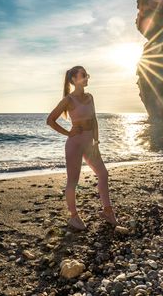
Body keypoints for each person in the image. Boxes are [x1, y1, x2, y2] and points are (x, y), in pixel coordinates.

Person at [46, 65, 118, 230]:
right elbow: (50, 120)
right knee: (73, 181)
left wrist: (97, 142)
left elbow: (94, 120)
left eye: (87, 75)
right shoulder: (68, 100)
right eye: (83, 75)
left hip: (89, 144)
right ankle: (73, 217)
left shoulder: (90, 97)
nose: (87, 78)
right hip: (75, 144)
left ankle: (108, 211)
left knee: (103, 174)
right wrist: (68, 133)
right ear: (74, 80)